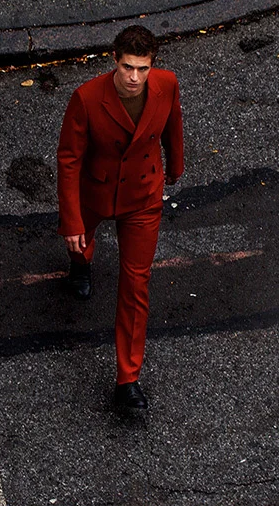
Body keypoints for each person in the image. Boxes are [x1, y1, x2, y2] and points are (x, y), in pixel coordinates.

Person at [56, 25, 184, 413]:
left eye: (142, 69)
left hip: (142, 197)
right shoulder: (87, 97)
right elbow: (68, 160)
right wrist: (73, 222)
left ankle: (128, 379)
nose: (134, 77)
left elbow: (173, 126)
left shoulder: (167, 84)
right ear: (114, 60)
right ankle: (81, 263)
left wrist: (176, 165)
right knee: (82, 241)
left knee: (136, 284)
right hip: (96, 190)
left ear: (153, 66)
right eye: (127, 67)